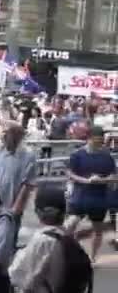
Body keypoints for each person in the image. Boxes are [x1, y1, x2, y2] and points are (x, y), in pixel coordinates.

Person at [9, 184, 86, 293]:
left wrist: (19, 254)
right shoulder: (66, 235)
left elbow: (21, 278)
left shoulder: (42, 240)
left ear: (38, 212)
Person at [65, 125, 116, 263]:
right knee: (70, 225)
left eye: (100, 140)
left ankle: (92, 257)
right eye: (96, 140)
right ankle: (67, 252)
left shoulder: (106, 156)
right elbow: (70, 173)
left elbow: (114, 176)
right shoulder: (77, 155)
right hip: (80, 196)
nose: (99, 143)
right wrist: (85, 181)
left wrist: (102, 180)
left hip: (98, 198)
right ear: (89, 139)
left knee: (97, 229)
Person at [0, 122, 37, 242]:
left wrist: (15, 210)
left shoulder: (28, 156)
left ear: (18, 136)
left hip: (9, 208)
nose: (3, 136)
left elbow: (27, 185)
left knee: (6, 243)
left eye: (7, 133)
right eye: (3, 132)